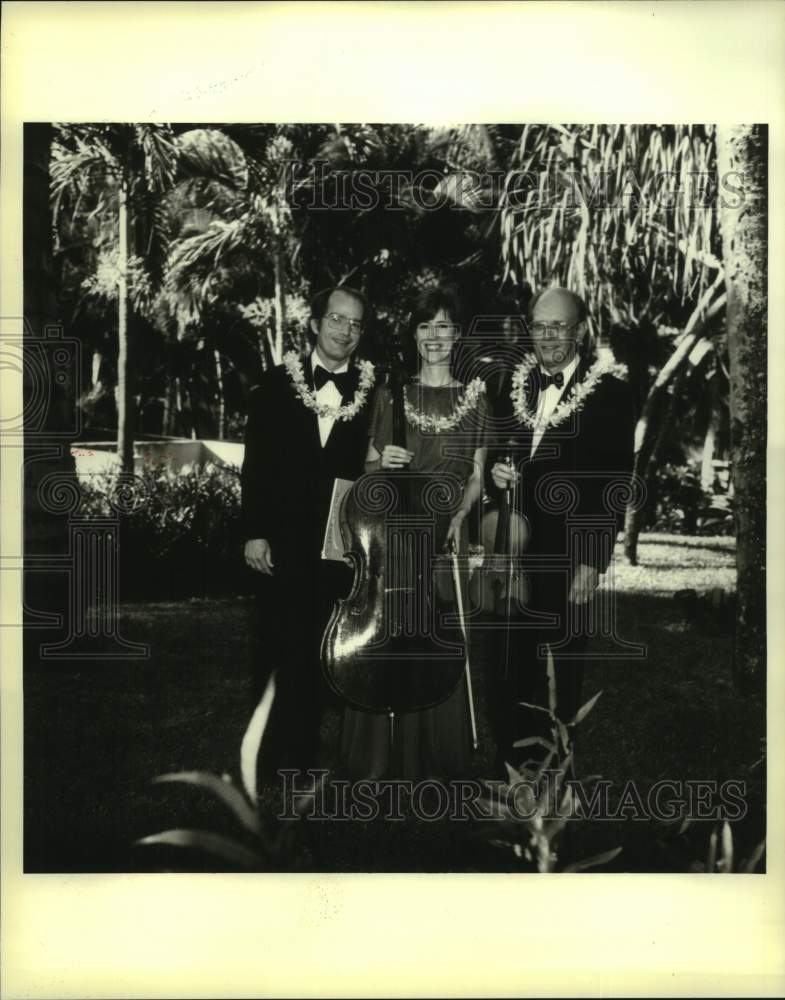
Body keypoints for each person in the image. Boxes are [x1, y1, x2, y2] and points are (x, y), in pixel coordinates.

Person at [340, 287, 490, 780]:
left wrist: (458, 518)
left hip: (447, 533)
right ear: (414, 334)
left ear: (458, 334)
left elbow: (476, 476)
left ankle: (437, 757)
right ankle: (380, 757)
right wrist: (381, 459)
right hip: (396, 540)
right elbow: (364, 472)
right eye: (425, 326)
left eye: (443, 325)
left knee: (438, 637)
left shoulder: (476, 398)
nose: (433, 336)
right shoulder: (392, 395)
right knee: (386, 635)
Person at [489, 286, 636, 769]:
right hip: (511, 556)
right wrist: (496, 474)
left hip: (568, 556)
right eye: (539, 326)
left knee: (558, 673)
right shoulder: (513, 385)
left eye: (559, 326)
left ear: (579, 331)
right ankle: (507, 774)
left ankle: (553, 783)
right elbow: (497, 455)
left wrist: (592, 562)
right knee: (508, 667)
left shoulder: (611, 395)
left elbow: (616, 485)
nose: (548, 336)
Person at [241, 285, 375, 778]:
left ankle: (302, 756)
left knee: (318, 652)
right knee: (275, 646)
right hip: (280, 540)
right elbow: (254, 464)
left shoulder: (370, 390)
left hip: (337, 545)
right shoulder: (276, 383)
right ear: (317, 323)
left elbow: (371, 466)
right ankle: (263, 756)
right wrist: (254, 531)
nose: (344, 331)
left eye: (355, 324)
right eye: (337, 319)